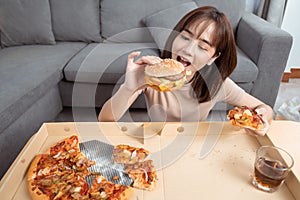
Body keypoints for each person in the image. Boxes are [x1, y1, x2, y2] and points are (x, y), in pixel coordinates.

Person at [98, 6, 273, 136]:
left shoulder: (217, 83)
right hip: (157, 142)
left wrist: (261, 119)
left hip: (195, 146)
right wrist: (130, 87)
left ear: (213, 57)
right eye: (184, 37)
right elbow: (104, 121)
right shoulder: (153, 75)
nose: (187, 50)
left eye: (203, 47)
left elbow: (264, 108)